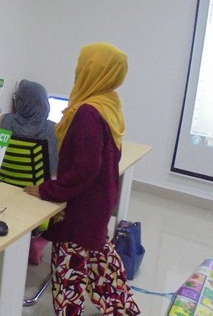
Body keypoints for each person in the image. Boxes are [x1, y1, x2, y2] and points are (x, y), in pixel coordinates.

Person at [23, 43, 140, 315]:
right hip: (99, 200)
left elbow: (85, 169)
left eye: (82, 64)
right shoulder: (109, 102)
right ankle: (122, 308)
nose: (77, 70)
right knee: (100, 259)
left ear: (94, 70)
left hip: (81, 207)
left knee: (69, 272)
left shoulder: (87, 112)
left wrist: (48, 190)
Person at [0, 79, 59, 177]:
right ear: (44, 103)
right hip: (36, 183)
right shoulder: (54, 129)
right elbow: (53, 169)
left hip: (3, 177)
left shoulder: (4, 120)